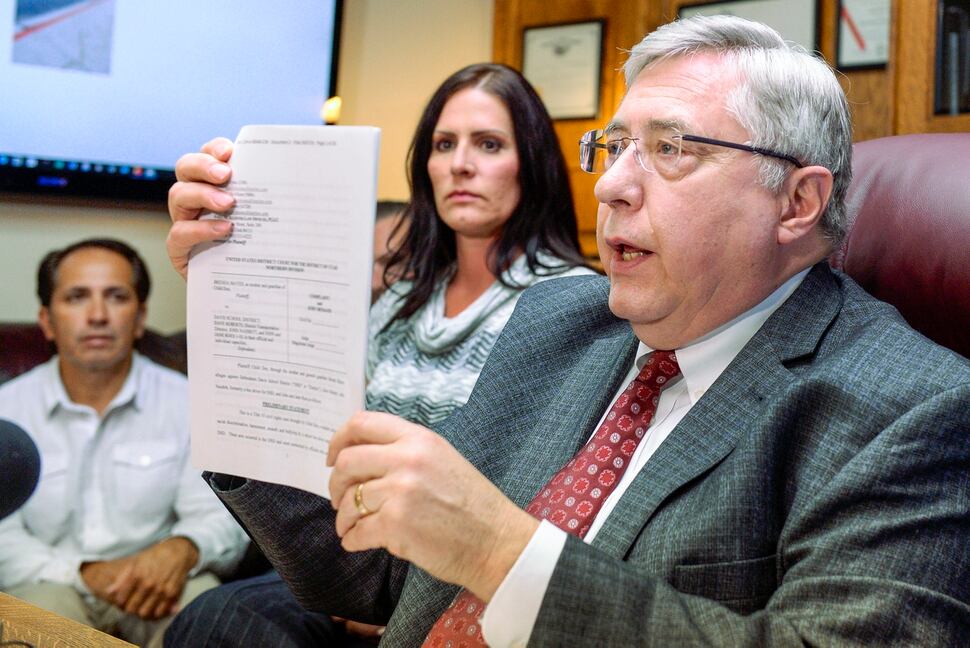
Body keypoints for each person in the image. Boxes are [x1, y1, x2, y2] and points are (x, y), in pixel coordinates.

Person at [168, 16, 970, 644]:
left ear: (797, 202)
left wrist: (498, 552)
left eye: (670, 149)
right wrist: (236, 305)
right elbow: (375, 576)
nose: (613, 185)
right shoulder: (559, 321)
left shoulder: (916, 409)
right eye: (614, 148)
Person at [164, 63, 592, 646]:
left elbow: (545, 496)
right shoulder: (397, 303)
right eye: (444, 144)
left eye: (489, 144)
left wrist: (407, 600)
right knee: (216, 617)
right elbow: (321, 441)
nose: (461, 164)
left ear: (533, 165)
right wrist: (223, 282)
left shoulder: (569, 303)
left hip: (464, 580)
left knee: (231, 621)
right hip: (347, 556)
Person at [0, 239, 249, 647]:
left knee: (211, 610)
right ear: (46, 321)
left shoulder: (190, 402)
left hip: (157, 585)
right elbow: (3, 536)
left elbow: (219, 514)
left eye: (116, 297)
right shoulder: (6, 409)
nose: (98, 315)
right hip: (46, 581)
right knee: (30, 620)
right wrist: (82, 573)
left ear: (140, 318)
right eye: (77, 297)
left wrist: (184, 548)